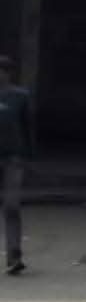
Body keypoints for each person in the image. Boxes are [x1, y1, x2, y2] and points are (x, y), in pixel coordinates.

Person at [0, 56, 30, 276]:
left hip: (13, 158)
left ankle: (14, 256)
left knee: (12, 205)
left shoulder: (20, 97)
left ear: (9, 73)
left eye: (2, 71)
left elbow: (27, 127)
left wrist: (29, 156)